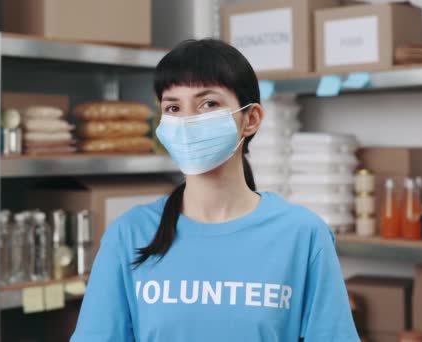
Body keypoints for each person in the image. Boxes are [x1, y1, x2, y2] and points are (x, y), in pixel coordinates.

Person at [71, 39, 358, 342]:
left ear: (251, 119)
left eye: (209, 103)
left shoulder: (303, 235)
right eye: (173, 107)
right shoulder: (130, 234)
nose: (187, 121)